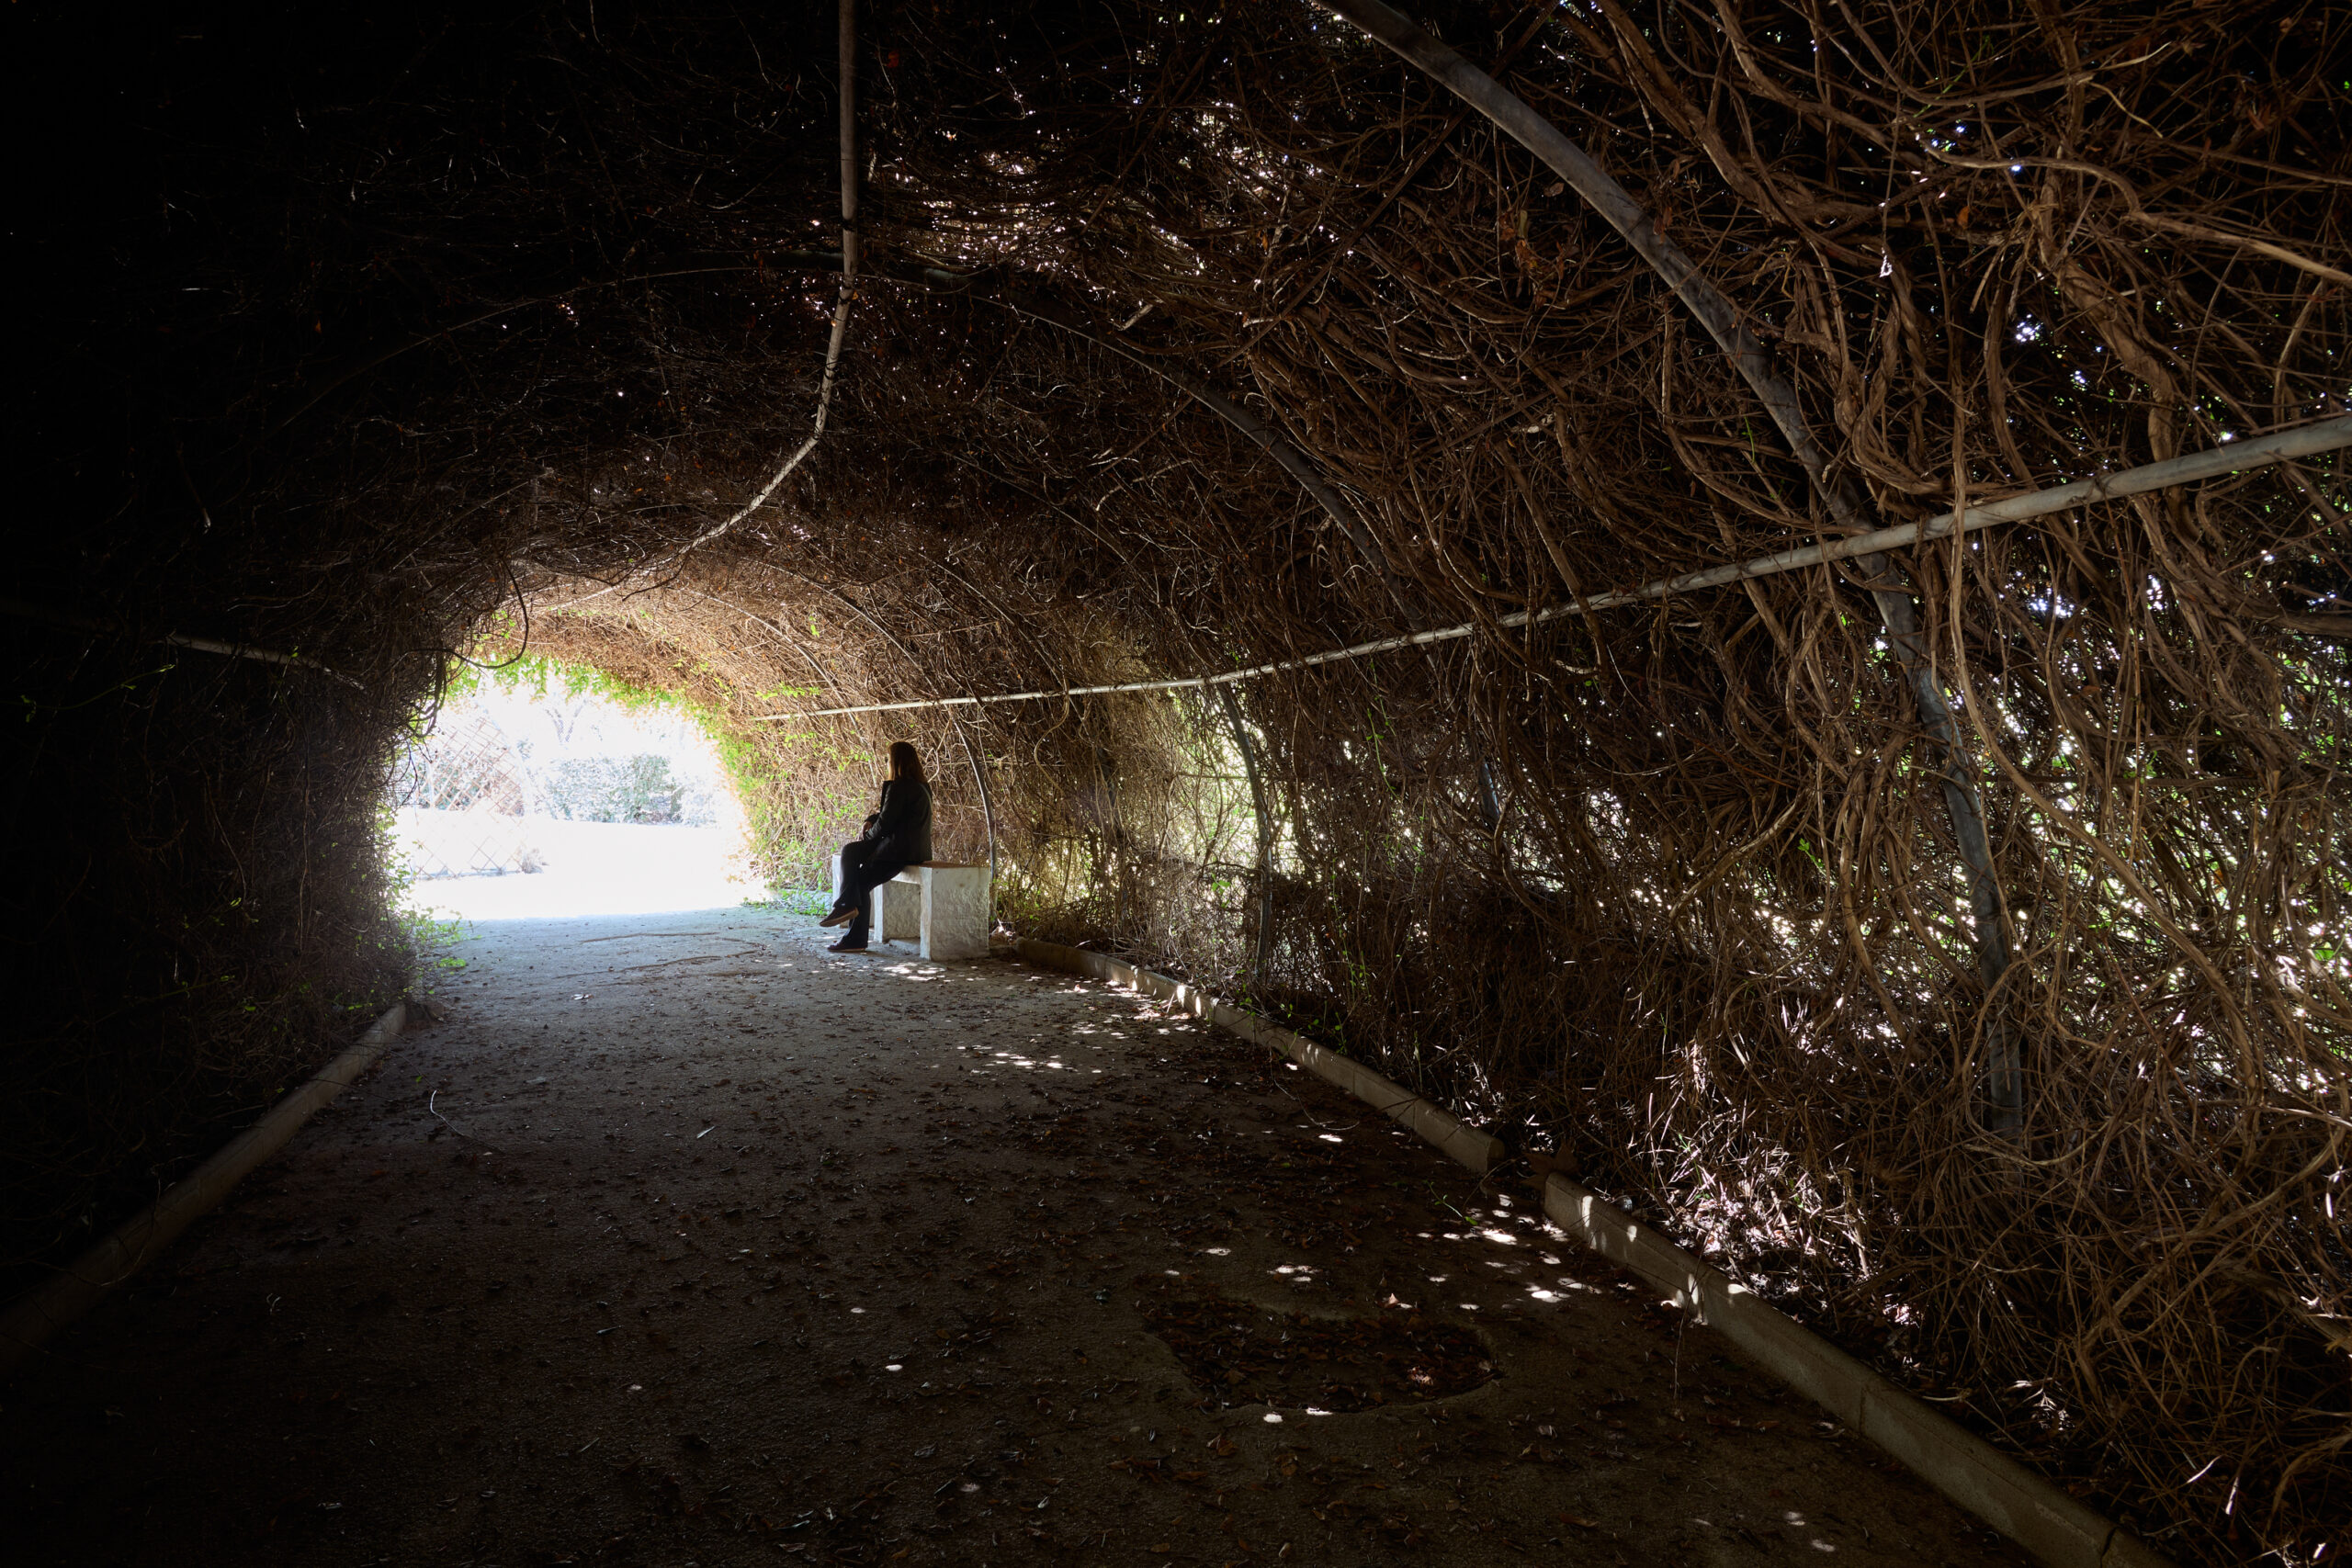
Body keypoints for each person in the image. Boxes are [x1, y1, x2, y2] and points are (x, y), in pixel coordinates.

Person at [820, 741, 933, 953]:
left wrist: (868, 835)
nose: (887, 763)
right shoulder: (920, 786)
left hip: (898, 851)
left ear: (896, 761)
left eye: (888, 759)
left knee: (857, 873)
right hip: (911, 849)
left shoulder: (900, 786)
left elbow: (886, 823)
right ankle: (846, 909)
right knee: (852, 859)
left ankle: (850, 922)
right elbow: (893, 814)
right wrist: (870, 820)